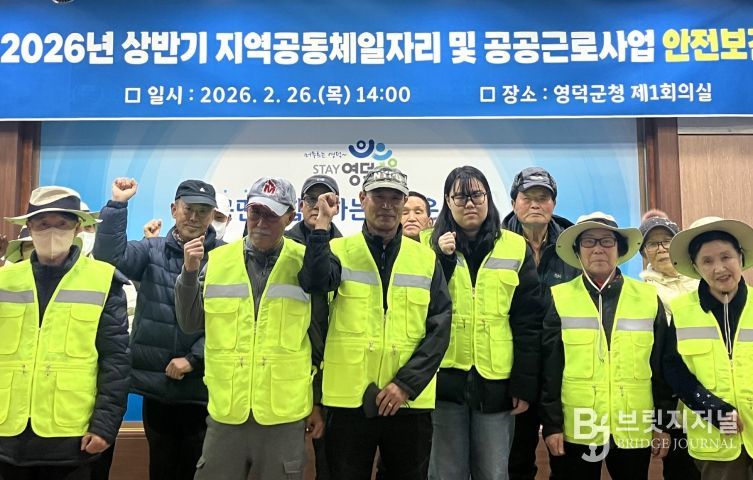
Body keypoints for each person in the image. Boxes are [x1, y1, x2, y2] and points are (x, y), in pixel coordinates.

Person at [302, 165, 452, 480]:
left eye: (394, 198)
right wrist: (321, 227)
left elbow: (440, 328)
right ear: (362, 199)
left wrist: (406, 384)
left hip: (408, 402)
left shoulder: (426, 259)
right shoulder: (337, 250)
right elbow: (314, 281)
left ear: (404, 202)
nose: (386, 205)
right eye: (378, 196)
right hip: (348, 401)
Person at [175, 176, 326, 480]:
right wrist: (189, 274)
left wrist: (317, 401)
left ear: (290, 216)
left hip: (284, 414)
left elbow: (321, 341)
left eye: (271, 215)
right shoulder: (218, 261)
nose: (261, 223)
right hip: (227, 410)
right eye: (256, 212)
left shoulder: (306, 263)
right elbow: (190, 324)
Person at [93, 178, 223, 480]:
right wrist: (118, 205)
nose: (194, 217)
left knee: (197, 470)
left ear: (212, 215)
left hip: (204, 388)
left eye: (203, 211)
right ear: (174, 209)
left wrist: (194, 358)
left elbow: (231, 323)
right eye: (189, 209)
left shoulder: (225, 258)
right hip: (158, 388)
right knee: (161, 469)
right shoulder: (151, 251)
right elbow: (108, 258)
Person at [0, 186, 130, 480]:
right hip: (7, 433)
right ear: (29, 227)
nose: (52, 232)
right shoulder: (4, 281)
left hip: (70, 436)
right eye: (43, 224)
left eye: (62, 224)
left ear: (78, 228)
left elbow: (116, 362)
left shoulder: (102, 281)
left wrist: (105, 425)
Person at [425, 165, 545, 480]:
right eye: (460, 197)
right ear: (447, 201)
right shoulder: (425, 245)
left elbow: (528, 321)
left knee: (493, 473)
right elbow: (418, 310)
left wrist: (523, 383)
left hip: (497, 383)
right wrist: (442, 260)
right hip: (442, 380)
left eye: (477, 195)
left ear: (488, 199)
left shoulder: (514, 246)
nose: (470, 203)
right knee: (445, 473)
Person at [540, 212, 674, 480]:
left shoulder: (648, 297)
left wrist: (662, 424)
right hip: (578, 426)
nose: (598, 248)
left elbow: (662, 366)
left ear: (619, 249)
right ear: (577, 251)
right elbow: (549, 368)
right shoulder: (560, 297)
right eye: (589, 241)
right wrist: (552, 425)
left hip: (633, 424)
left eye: (606, 241)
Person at [502, 167, 580, 480]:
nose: (535, 204)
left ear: (553, 204)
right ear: (513, 203)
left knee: (566, 459)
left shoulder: (574, 247)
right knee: (515, 461)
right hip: (513, 367)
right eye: (528, 197)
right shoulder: (496, 243)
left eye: (543, 197)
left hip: (564, 368)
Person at [663, 216, 753, 479]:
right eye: (707, 261)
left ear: (740, 257)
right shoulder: (682, 311)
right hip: (714, 438)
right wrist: (713, 409)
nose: (719, 268)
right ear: (695, 267)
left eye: (726, 257)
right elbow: (675, 371)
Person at [285, 174, 342, 480]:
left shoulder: (347, 249)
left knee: (332, 465)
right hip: (286, 370)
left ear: (337, 206)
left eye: (326, 200)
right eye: (311, 200)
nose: (318, 206)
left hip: (332, 371)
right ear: (300, 204)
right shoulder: (280, 244)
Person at [638, 213, 701, 480]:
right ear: (644, 252)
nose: (662, 248)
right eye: (653, 243)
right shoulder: (643, 293)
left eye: (667, 240)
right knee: (680, 469)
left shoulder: (703, 283)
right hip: (672, 400)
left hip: (713, 391)